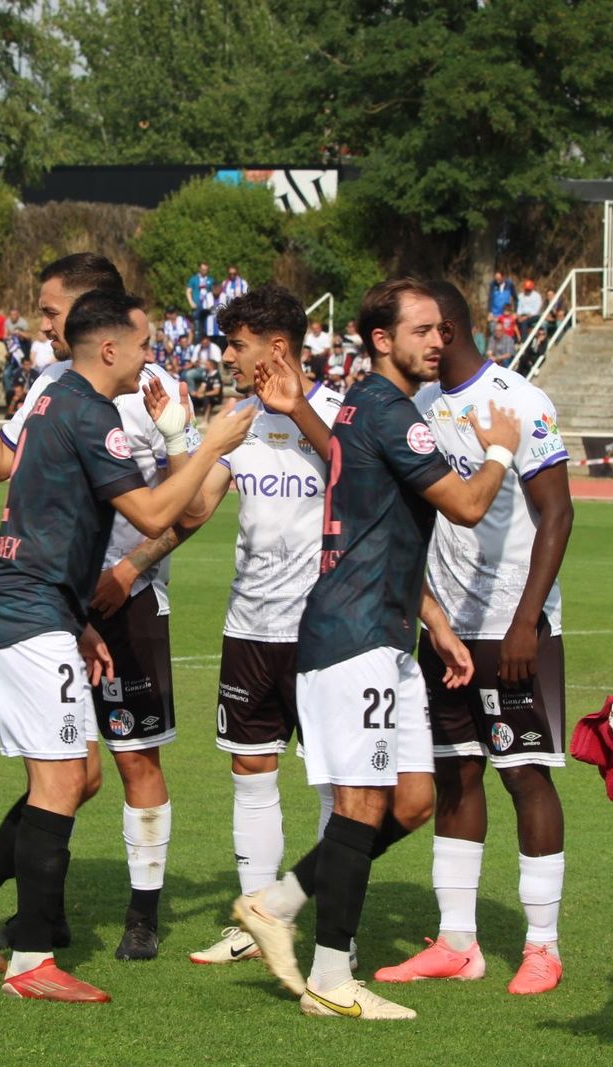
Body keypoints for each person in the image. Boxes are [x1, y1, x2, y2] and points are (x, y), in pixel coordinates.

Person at [0, 289, 253, 1001]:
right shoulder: (91, 412)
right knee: (65, 780)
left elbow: (41, 505)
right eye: (142, 346)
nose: (149, 359)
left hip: (37, 607)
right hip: (27, 610)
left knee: (78, 777)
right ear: (110, 348)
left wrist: (81, 622)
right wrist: (207, 444)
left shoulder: (53, 397)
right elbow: (161, 511)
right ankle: (33, 959)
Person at [232, 278, 520, 1021]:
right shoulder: (392, 410)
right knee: (361, 801)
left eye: (442, 329)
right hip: (353, 634)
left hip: (385, 631)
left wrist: (432, 619)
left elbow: (365, 503)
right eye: (423, 329)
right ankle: (331, 980)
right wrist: (497, 449)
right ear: (381, 339)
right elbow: (465, 504)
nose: (439, 339)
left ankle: (280, 900)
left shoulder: (367, 404)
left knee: (414, 800)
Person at [367, 280, 573, 996]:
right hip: (448, 628)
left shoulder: (519, 400)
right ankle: (458, 941)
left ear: (444, 330)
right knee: (456, 771)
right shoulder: (418, 408)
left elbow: (557, 513)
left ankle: (542, 947)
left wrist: (525, 619)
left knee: (525, 773)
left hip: (512, 626)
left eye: (425, 328)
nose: (419, 342)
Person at [147, 286, 343, 967]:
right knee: (251, 768)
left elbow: (363, 484)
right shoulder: (239, 419)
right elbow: (196, 505)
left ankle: (325, 923)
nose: (227, 355)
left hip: (325, 630)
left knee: (333, 778)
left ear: (277, 348)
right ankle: (258, 919)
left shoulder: (341, 415)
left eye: (238, 344)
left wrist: (305, 414)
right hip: (251, 625)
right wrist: (183, 438)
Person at [187, 261, 215, 341]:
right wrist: (191, 302)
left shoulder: (211, 280)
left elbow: (213, 292)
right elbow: (188, 291)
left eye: (206, 270)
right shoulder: (193, 279)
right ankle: (197, 346)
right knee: (197, 328)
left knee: (208, 328)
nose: (204, 271)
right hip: (197, 307)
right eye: (202, 269)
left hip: (207, 308)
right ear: (199, 269)